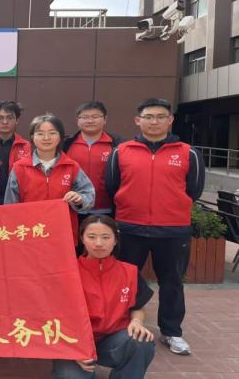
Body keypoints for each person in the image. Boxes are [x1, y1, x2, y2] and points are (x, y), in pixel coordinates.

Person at [105, 98, 204, 355]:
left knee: (172, 282)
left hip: (172, 230)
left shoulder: (188, 153)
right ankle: (121, 325)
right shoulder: (121, 151)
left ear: (170, 120)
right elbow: (112, 186)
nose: (154, 122)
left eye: (160, 117)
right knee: (126, 280)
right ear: (138, 120)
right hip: (130, 228)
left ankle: (171, 332)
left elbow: (193, 190)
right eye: (148, 117)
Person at [52, 215, 155, 379]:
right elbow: (53, 317)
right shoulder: (67, 273)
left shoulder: (129, 272)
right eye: (91, 237)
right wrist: (72, 350)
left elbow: (137, 307)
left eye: (106, 237)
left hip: (113, 339)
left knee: (141, 341)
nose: (99, 243)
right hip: (75, 341)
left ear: (115, 240)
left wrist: (137, 322)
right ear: (82, 239)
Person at [4, 114, 94, 244]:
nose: (46, 138)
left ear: (60, 136)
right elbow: (9, 207)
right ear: (32, 137)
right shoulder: (20, 168)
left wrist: (79, 199)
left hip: (62, 235)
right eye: (40, 133)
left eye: (52, 133)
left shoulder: (71, 166)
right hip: (29, 235)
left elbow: (89, 195)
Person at [63, 101, 123, 218]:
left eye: (95, 116)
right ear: (77, 121)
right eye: (85, 117)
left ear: (105, 119)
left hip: (106, 209)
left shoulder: (118, 145)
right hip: (72, 208)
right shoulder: (65, 144)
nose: (90, 121)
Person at [0, 101, 32, 203]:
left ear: (17, 120)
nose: (5, 122)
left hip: (15, 200)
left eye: (10, 118)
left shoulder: (27, 147)